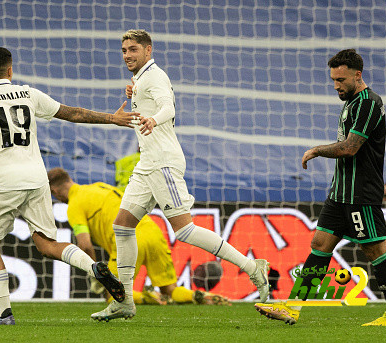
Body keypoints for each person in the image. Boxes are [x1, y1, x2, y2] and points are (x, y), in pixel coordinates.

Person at [0, 47, 139, 325]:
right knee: (46, 243)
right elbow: (74, 113)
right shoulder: (27, 93)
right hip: (36, 178)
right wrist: (112, 118)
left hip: (3, 180)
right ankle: (93, 267)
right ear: (10, 70)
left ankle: (4, 313)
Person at [90, 30, 270, 321]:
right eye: (123, 50)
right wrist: (136, 99)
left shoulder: (155, 76)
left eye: (133, 49)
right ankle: (124, 300)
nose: (127, 55)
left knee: (184, 230)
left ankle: (252, 267)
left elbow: (168, 107)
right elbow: (153, 103)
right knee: (122, 227)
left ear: (148, 50)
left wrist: (152, 117)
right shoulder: (141, 80)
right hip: (146, 163)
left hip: (163, 163)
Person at [255, 49, 386, 327]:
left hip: (360, 195)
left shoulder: (369, 103)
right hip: (340, 194)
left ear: (357, 75)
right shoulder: (350, 102)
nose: (336, 85)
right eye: (333, 79)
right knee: (320, 245)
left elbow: (350, 148)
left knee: (375, 252)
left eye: (341, 79)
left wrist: (316, 150)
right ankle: (294, 307)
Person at [48, 167, 231, 306]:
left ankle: (146, 296)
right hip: (152, 231)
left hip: (126, 238)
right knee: (170, 289)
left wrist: (96, 275)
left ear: (54, 192)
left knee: (112, 295)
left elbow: (85, 245)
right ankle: (197, 296)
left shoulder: (74, 206)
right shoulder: (99, 187)